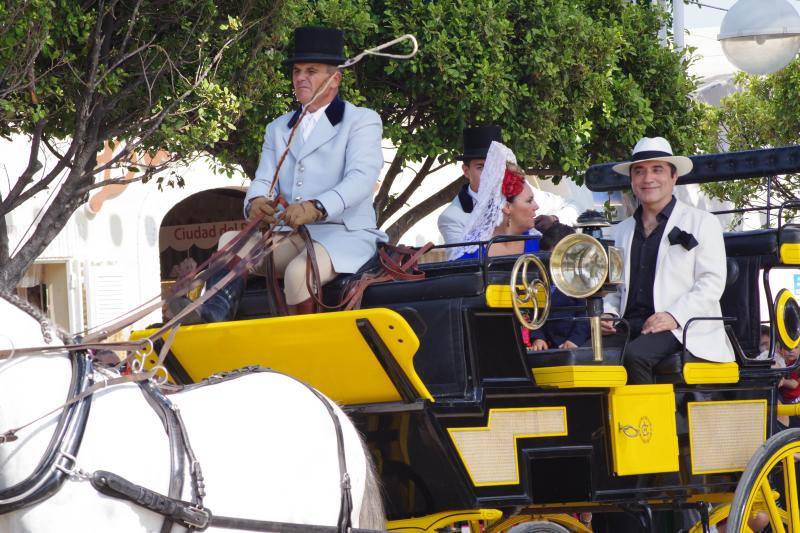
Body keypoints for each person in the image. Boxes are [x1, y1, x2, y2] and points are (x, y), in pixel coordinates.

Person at [171, 26, 386, 322]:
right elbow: (264, 178)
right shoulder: (278, 128)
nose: (300, 77)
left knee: (299, 274)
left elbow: (361, 179)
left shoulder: (361, 120)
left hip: (345, 236)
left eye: (311, 71)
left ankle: (305, 347)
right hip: (290, 235)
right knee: (230, 243)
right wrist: (256, 201)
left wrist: (317, 207)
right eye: (297, 71)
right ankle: (213, 315)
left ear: (335, 79)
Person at [602, 136, 734, 384]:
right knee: (583, 356)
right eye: (639, 171)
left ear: (674, 177)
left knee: (636, 356)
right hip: (627, 325)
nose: (647, 178)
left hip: (683, 327)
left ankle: (647, 423)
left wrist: (674, 315)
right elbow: (612, 289)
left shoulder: (702, 222)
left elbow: (711, 283)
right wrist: (608, 315)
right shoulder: (620, 231)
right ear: (631, 180)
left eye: (657, 170)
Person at [438, 126, 561, 244]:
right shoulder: (451, 218)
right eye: (481, 167)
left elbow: (570, 206)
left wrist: (553, 219)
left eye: (495, 165)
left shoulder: (521, 191)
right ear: (466, 171)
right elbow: (465, 262)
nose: (490, 173)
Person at [449, 141, 540, 260]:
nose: (537, 206)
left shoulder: (539, 243)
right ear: (506, 207)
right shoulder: (470, 254)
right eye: (529, 201)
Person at [528, 223, 590, 351]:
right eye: (548, 257)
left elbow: (585, 314)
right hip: (546, 344)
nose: (553, 262)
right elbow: (534, 312)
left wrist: (574, 340)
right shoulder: (538, 279)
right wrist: (538, 337)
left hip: (572, 343)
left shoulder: (580, 280)